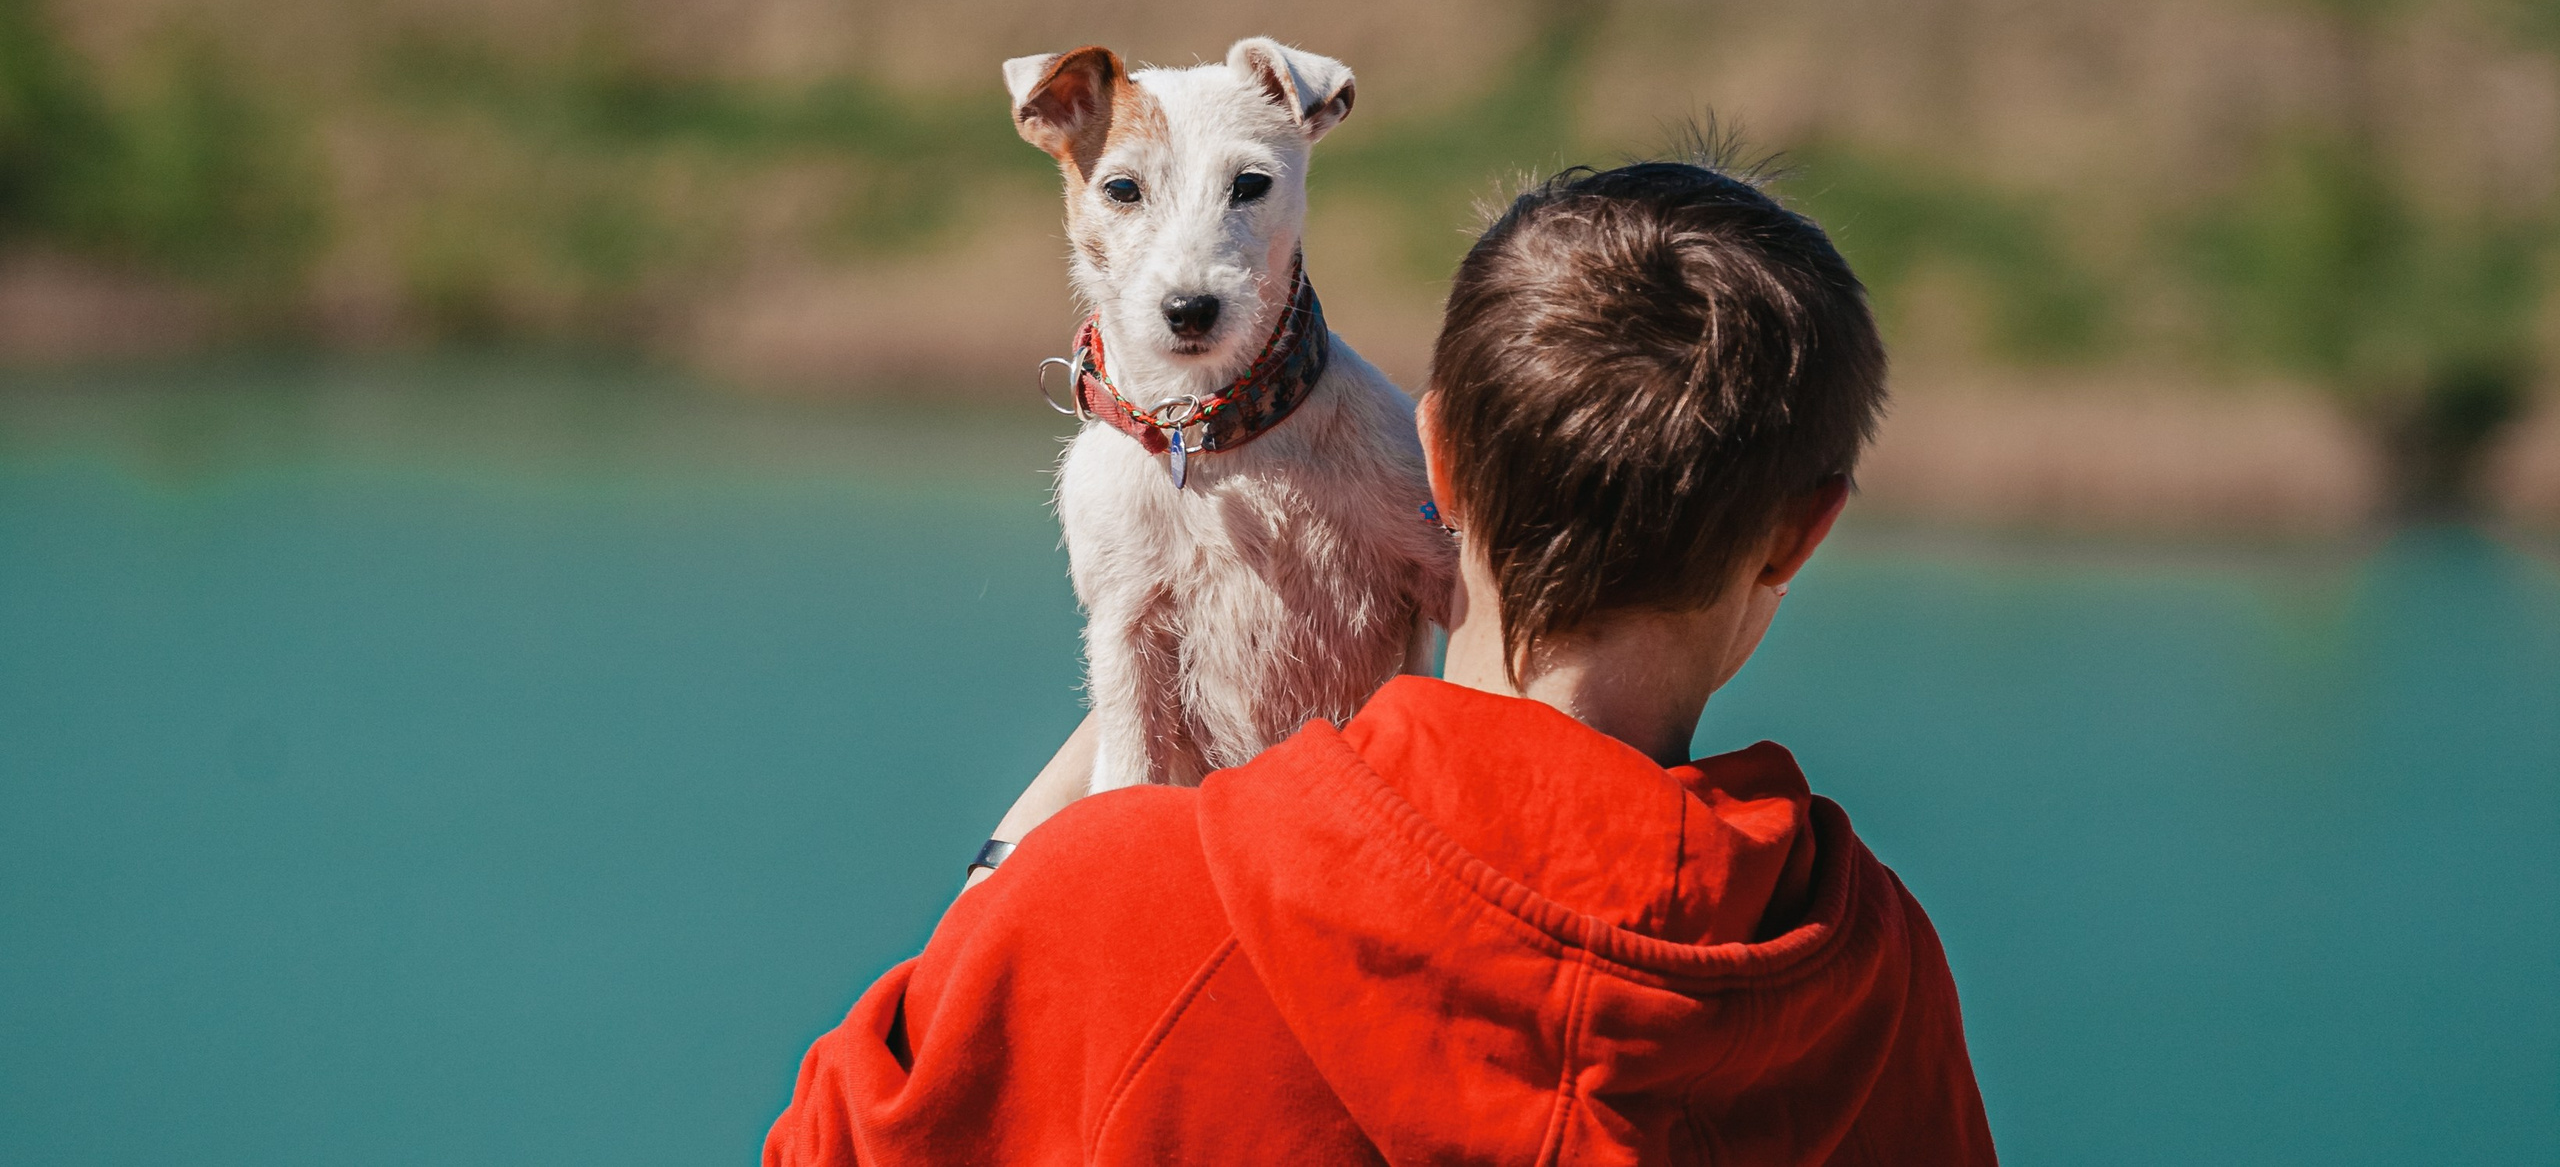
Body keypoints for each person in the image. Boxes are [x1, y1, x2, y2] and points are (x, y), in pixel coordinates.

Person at [766, 156, 1998, 1166]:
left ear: (1439, 458)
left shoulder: (1129, 906)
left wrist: (1049, 811)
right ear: (1802, 531)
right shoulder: (1869, 988)